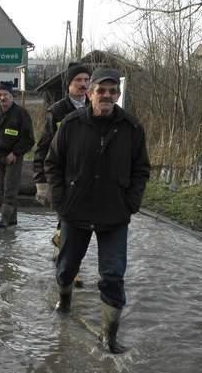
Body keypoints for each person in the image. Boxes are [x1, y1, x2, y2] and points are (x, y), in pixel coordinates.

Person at [45, 68, 150, 354]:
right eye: (101, 90)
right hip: (75, 211)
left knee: (113, 275)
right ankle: (64, 300)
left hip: (114, 214)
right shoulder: (70, 124)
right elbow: (52, 163)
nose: (107, 96)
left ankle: (108, 336)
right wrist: (61, 201)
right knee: (66, 268)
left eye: (112, 91)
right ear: (89, 92)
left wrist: (131, 202)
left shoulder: (131, 127)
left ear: (118, 95)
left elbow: (141, 169)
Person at [34, 62, 91, 285]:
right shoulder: (57, 111)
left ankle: (61, 246)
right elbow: (43, 145)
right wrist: (40, 180)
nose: (83, 84)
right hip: (63, 177)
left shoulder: (94, 107)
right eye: (78, 80)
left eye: (87, 80)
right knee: (71, 221)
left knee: (77, 222)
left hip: (88, 177)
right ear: (69, 84)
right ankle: (70, 270)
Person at [0, 83, 35, 228]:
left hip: (13, 157)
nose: (2, 98)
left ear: (12, 96)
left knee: (10, 188)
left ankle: (4, 220)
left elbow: (29, 139)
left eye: (5, 95)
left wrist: (16, 153)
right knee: (3, 188)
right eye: (0, 95)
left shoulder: (21, 114)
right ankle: (13, 219)